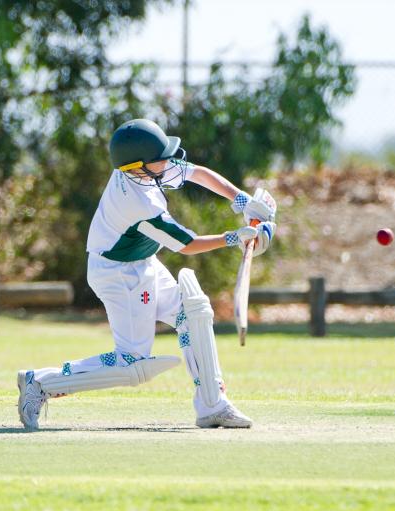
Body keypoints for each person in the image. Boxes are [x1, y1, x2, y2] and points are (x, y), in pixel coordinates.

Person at [17, 119, 276, 429]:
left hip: (142, 262)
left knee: (192, 313)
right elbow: (187, 244)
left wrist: (243, 201)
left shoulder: (144, 168)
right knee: (132, 363)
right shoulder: (140, 202)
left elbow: (198, 173)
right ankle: (41, 383)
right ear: (138, 165)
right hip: (117, 274)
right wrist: (235, 237)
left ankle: (212, 405)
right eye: (161, 156)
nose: (169, 160)